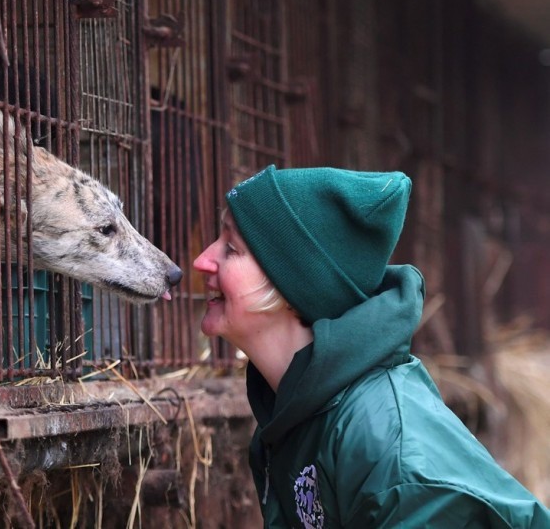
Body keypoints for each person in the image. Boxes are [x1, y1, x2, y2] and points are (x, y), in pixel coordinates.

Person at [193, 164, 550, 527]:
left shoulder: (389, 455)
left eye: (231, 249)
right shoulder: (294, 413)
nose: (201, 260)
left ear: (293, 285)